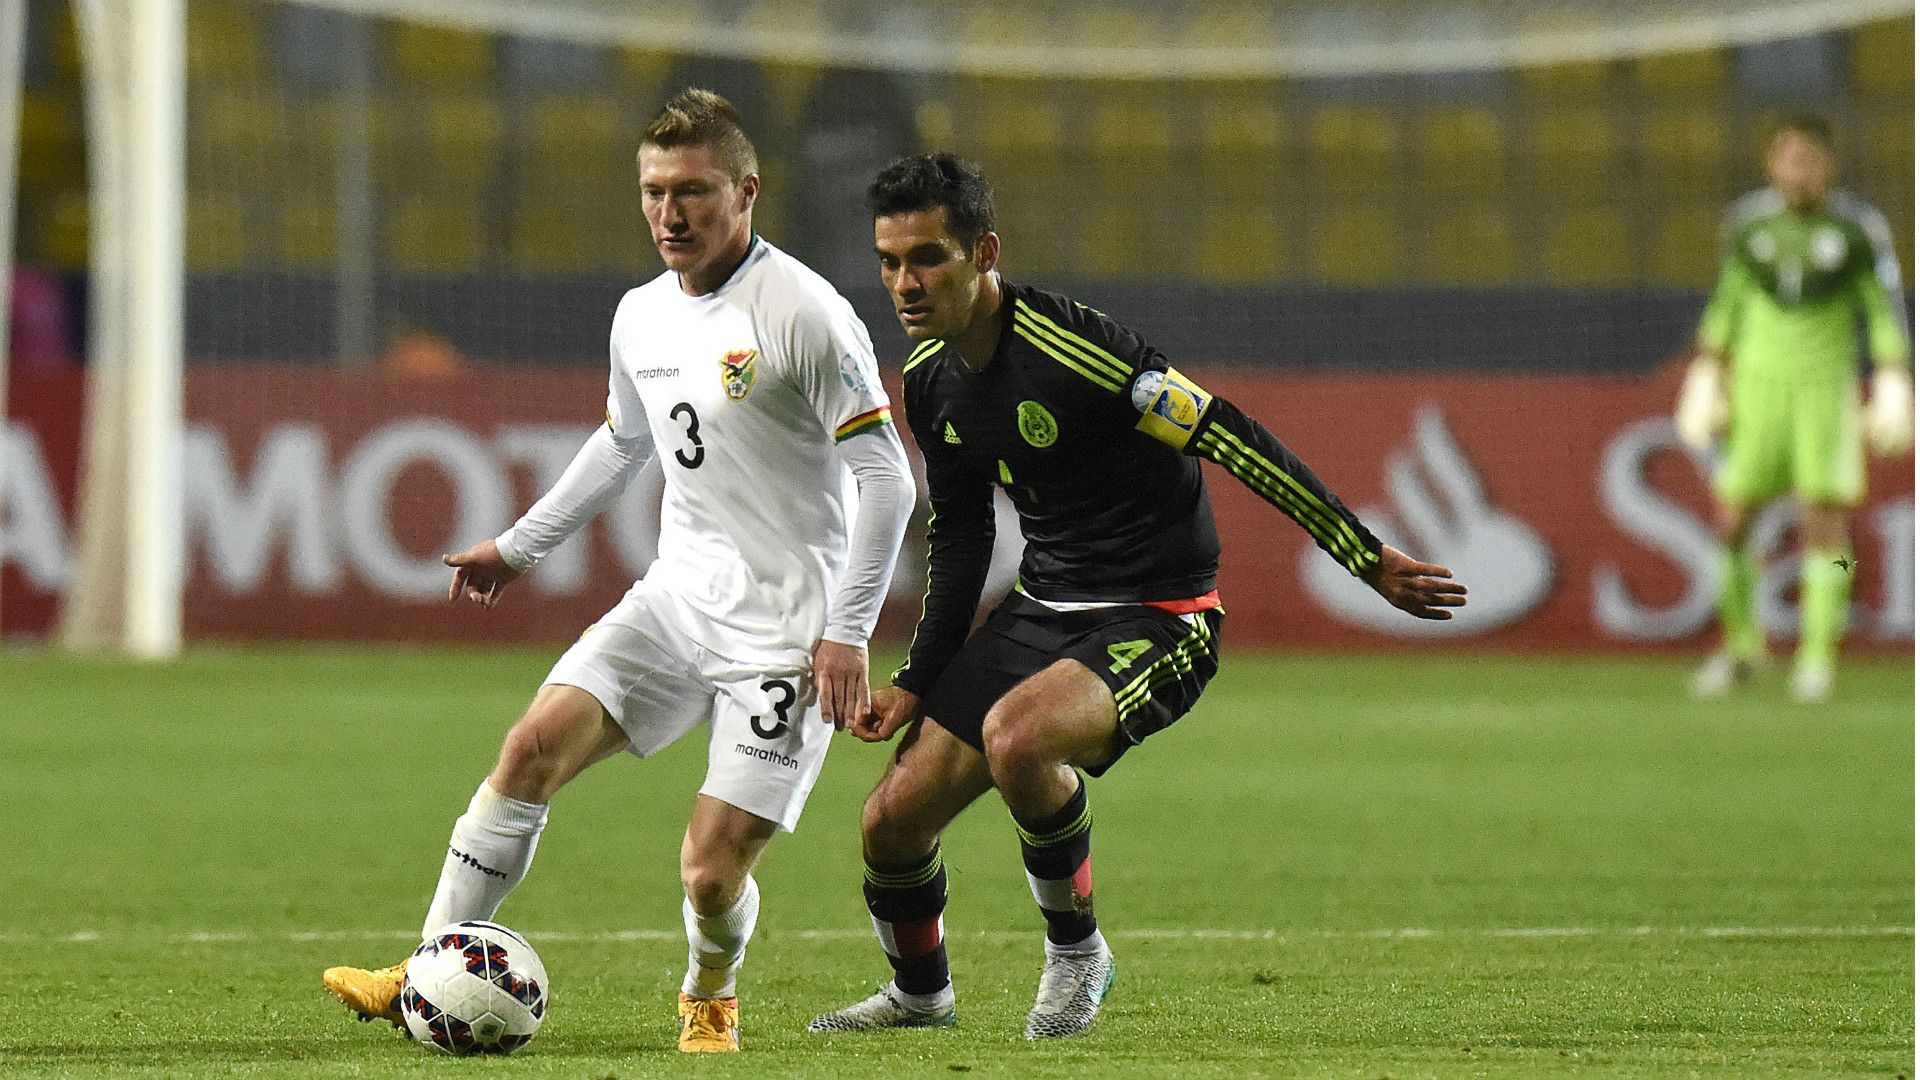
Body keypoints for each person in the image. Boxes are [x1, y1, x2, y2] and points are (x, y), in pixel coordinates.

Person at [807, 154, 1466, 1040]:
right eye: (888, 261)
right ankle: (921, 996)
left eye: (926, 257)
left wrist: (1361, 553)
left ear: (984, 252)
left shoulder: (1078, 352)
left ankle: (1079, 954)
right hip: (1046, 606)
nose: (903, 282)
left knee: (1019, 739)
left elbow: (1224, 431)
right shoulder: (930, 378)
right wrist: (920, 680)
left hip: (1163, 613)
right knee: (889, 822)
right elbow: (961, 535)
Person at [321, 89, 914, 1054]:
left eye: (692, 192)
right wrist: (519, 548)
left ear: (747, 192)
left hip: (786, 633)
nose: (669, 215)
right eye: (652, 193)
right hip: (677, 603)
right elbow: (621, 442)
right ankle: (426, 969)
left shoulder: (802, 311)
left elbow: (886, 480)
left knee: (711, 876)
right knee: (527, 751)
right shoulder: (640, 315)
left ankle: (709, 993)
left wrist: (845, 631)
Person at [1675, 112, 1911, 703]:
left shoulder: (1857, 231)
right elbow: (1729, 302)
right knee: (1731, 521)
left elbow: (1881, 306)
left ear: (1827, 167)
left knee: (1824, 526)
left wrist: (1891, 374)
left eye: (1809, 161)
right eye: (1788, 160)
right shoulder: (1749, 227)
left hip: (1823, 393)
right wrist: (1708, 369)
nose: (1797, 172)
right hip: (1758, 394)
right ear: (1772, 165)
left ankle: (1817, 656)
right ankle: (1741, 646)